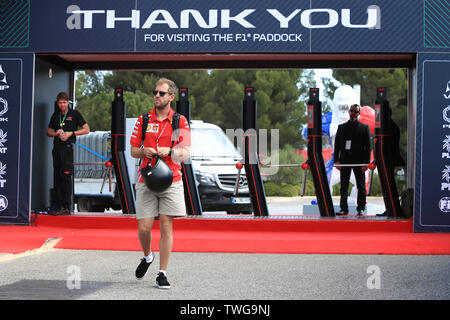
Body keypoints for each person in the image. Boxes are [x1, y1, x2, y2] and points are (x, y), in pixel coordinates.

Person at [129, 78, 190, 289]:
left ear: (171, 97)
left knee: (166, 225)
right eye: (155, 92)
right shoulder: (143, 119)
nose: (156, 95)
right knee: (144, 228)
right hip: (146, 179)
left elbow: (186, 152)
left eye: (161, 93)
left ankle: (162, 273)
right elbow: (133, 150)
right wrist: (143, 151)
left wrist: (171, 151)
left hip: (171, 179)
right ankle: (147, 256)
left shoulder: (180, 121)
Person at [47, 92, 90, 215]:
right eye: (60, 103)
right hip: (57, 148)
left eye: (64, 102)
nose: (62, 105)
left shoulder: (74, 114)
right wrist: (56, 133)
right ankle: (57, 205)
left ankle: (66, 206)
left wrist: (71, 133)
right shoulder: (55, 115)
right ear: (57, 103)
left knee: (66, 176)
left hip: (67, 148)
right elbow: (48, 131)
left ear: (68, 102)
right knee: (57, 176)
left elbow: (87, 129)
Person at [334, 104, 371, 216]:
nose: (353, 113)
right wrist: (337, 161)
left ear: (359, 114)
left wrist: (366, 163)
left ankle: (361, 208)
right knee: (343, 186)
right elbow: (337, 146)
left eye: (356, 111)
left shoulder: (364, 128)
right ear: (349, 112)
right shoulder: (341, 127)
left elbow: (368, 147)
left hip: (359, 161)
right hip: (345, 160)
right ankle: (343, 209)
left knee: (361, 186)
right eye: (352, 111)